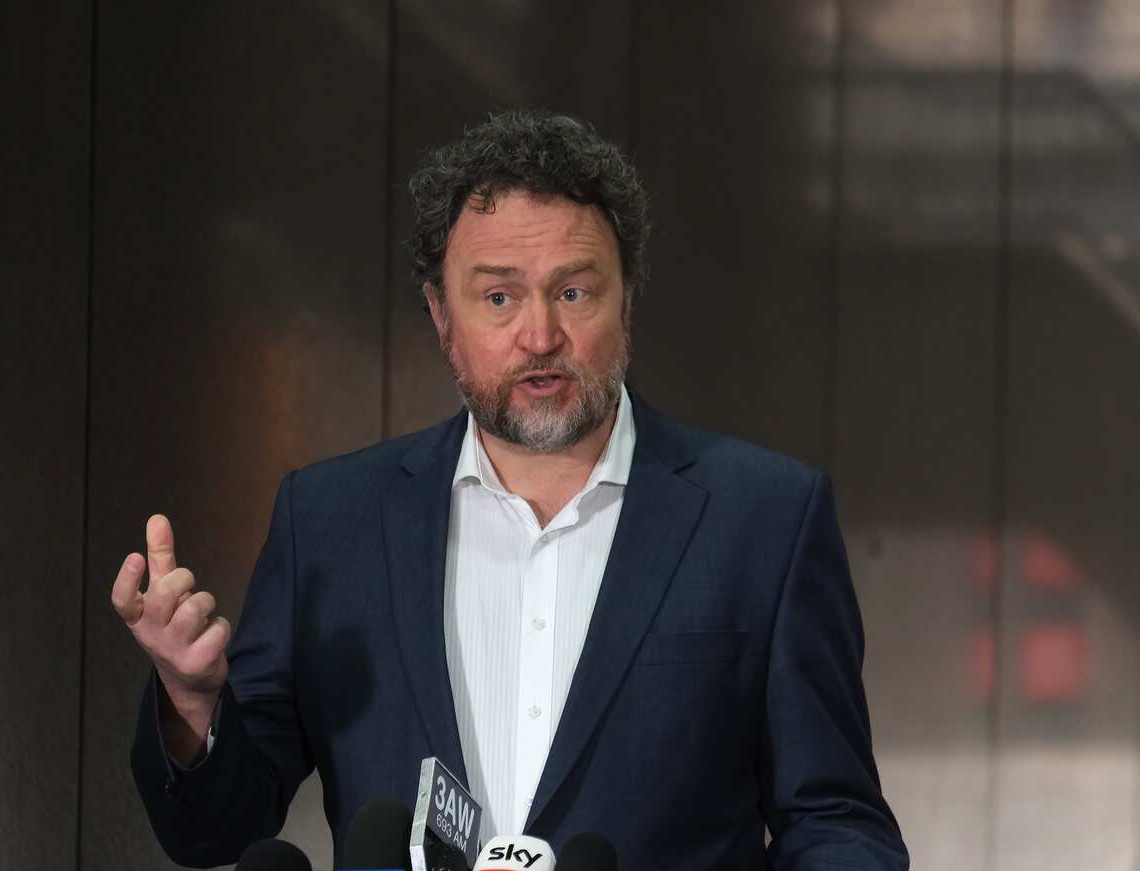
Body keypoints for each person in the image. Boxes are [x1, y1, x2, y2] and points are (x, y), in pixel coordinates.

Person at [112, 109, 910, 870]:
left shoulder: (764, 518)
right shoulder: (330, 523)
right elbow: (216, 826)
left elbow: (833, 820)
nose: (539, 336)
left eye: (573, 292)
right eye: (499, 297)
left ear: (626, 299)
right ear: (441, 314)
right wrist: (191, 702)